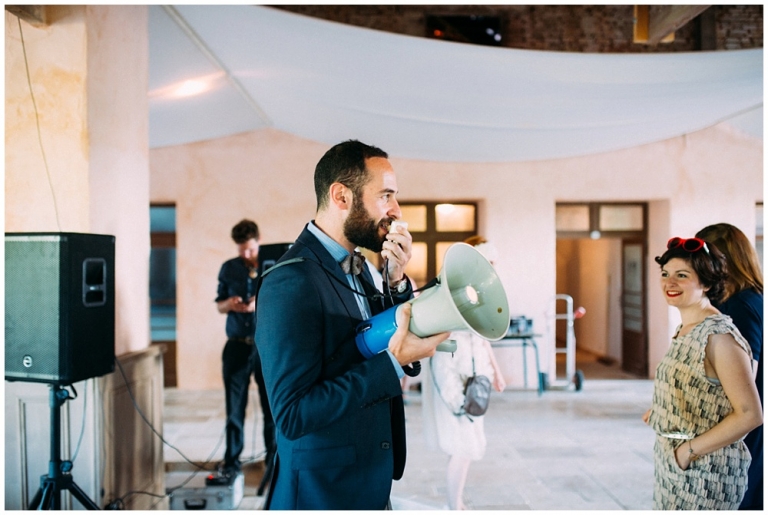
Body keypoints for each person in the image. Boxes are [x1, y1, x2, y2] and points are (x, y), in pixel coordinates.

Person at [254, 140, 448, 510]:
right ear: (341, 196)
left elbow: (369, 339)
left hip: (366, 481)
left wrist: (395, 283)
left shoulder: (362, 269)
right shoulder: (289, 282)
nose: (395, 210)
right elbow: (294, 415)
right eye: (386, 196)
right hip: (322, 493)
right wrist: (392, 364)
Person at [642, 236, 762, 509]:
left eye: (681, 275)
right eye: (665, 274)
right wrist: (663, 409)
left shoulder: (718, 336)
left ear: (706, 283)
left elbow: (750, 414)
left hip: (706, 471)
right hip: (675, 465)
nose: (669, 283)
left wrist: (687, 452)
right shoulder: (687, 328)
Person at [421, 236, 507, 510]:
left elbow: (483, 336)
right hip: (451, 371)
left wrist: (496, 371)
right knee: (462, 444)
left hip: (473, 373)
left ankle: (455, 501)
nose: (493, 267)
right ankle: (454, 504)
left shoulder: (482, 293)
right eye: (489, 262)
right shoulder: (455, 288)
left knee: (465, 441)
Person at [696, 223, 764, 510]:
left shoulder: (739, 304)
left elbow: (745, 376)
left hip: (743, 427)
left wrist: (692, 449)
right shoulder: (749, 298)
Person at [215, 219, 275, 480]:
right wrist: (230, 303)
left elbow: (283, 301)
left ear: (258, 240)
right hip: (236, 345)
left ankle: (273, 462)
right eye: (241, 250)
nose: (246, 255)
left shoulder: (273, 265)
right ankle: (231, 463)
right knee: (234, 409)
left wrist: (258, 303)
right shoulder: (228, 268)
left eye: (250, 249)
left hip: (266, 347)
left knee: (270, 407)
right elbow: (219, 305)